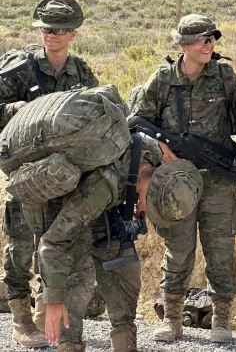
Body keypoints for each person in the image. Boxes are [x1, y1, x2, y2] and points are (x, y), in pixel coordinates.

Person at [131, 13, 236, 343]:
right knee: (178, 248)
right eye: (202, 40)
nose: (209, 45)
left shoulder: (224, 75)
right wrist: (160, 147)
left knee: (220, 251)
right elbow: (136, 122)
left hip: (219, 181)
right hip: (175, 183)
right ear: (183, 45)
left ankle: (222, 320)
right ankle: (172, 318)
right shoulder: (163, 79)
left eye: (212, 39)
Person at [34, 130, 202, 352]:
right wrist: (53, 298)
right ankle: (69, 343)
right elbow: (54, 241)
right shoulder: (101, 189)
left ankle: (125, 345)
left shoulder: (151, 153)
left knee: (123, 266)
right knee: (79, 274)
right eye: (150, 208)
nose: (146, 213)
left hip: (105, 207)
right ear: (147, 192)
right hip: (68, 205)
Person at [0, 0, 98, 349]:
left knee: (56, 244)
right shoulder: (17, 68)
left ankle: (48, 315)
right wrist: (15, 109)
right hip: (26, 172)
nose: (51, 35)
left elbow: (95, 113)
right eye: (45, 28)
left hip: (66, 175)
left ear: (73, 33)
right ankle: (21, 321)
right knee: (21, 246)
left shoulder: (81, 71)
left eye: (60, 29)